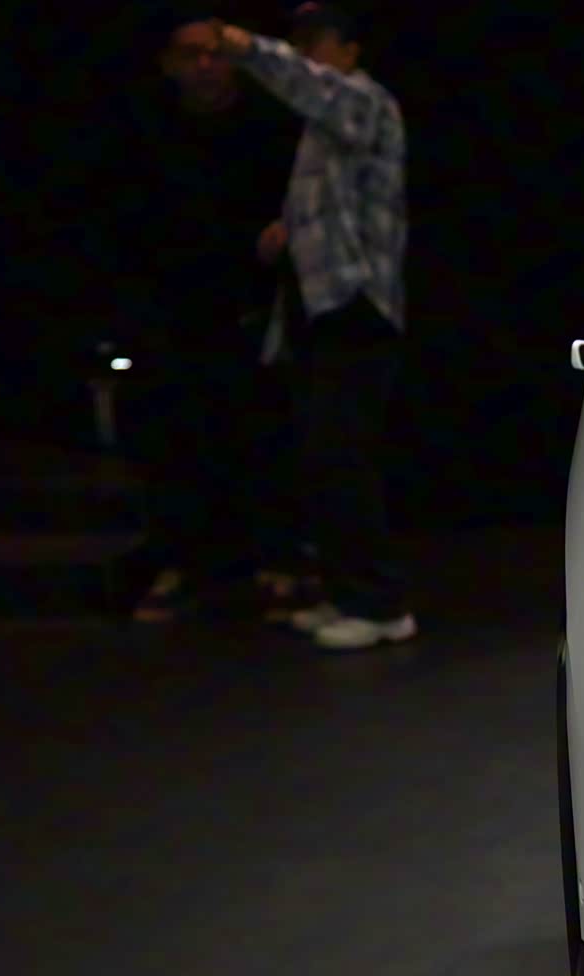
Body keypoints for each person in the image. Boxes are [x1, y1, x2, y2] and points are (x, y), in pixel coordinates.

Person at [215, 4, 416, 650]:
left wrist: (247, 46)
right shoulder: (324, 125)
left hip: (356, 307)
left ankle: (381, 605)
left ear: (351, 50)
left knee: (343, 459)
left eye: (318, 43)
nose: (307, 55)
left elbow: (308, 85)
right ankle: (346, 592)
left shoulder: (364, 99)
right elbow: (329, 202)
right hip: (318, 309)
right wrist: (287, 230)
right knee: (319, 460)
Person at [118, 9, 308, 623]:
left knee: (263, 433)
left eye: (215, 53)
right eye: (191, 54)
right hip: (172, 307)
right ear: (169, 64)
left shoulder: (270, 127)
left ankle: (276, 563)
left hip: (253, 305)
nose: (205, 66)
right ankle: (179, 562)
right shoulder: (147, 129)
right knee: (174, 436)